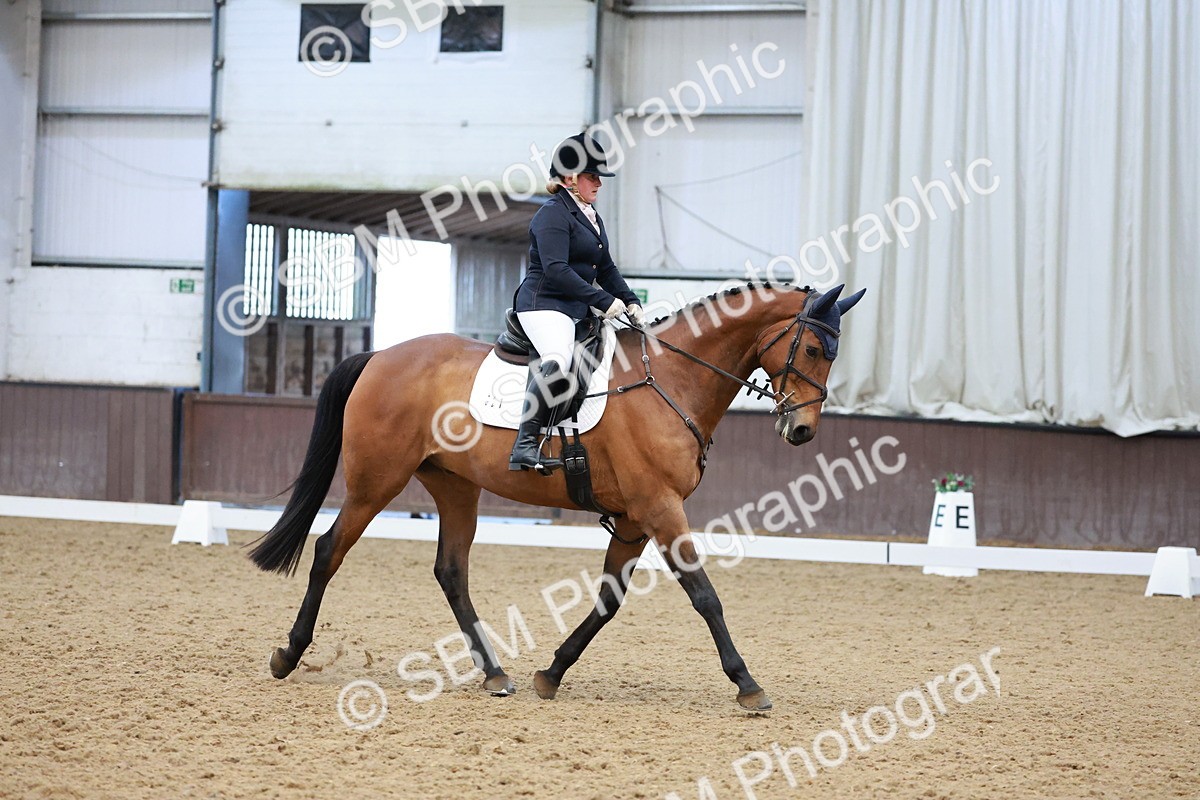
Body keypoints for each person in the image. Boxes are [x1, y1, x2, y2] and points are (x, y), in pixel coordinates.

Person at [508, 133, 645, 473]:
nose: (599, 183)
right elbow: (556, 270)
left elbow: (607, 267)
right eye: (591, 176)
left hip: (575, 307)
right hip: (543, 304)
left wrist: (628, 300)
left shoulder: (589, 214)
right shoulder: (552, 214)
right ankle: (524, 445)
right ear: (570, 178)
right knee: (558, 357)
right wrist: (602, 299)